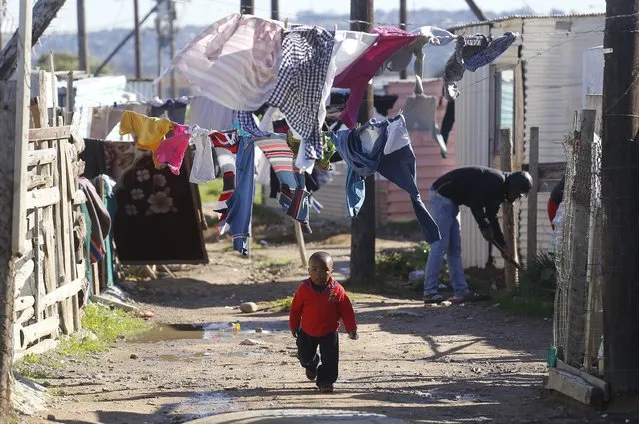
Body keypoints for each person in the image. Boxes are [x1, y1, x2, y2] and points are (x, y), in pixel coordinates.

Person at [422, 166, 533, 304]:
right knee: (440, 245)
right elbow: (476, 204)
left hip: (452, 201)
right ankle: (429, 292)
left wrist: (503, 245)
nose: (516, 197)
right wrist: (484, 227)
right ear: (512, 186)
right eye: (517, 194)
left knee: (454, 249)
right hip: (441, 196)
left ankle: (461, 291)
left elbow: (491, 216)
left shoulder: (501, 190)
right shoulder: (495, 181)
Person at [289, 251, 357, 393]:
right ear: (309, 271)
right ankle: (311, 365)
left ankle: (326, 382)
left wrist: (351, 328)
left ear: (331, 271)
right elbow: (295, 309)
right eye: (315, 270)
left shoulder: (337, 290)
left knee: (331, 361)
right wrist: (294, 326)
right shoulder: (303, 289)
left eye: (324, 270)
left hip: (329, 332)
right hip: (307, 331)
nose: (319, 274)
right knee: (304, 356)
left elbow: (347, 310)